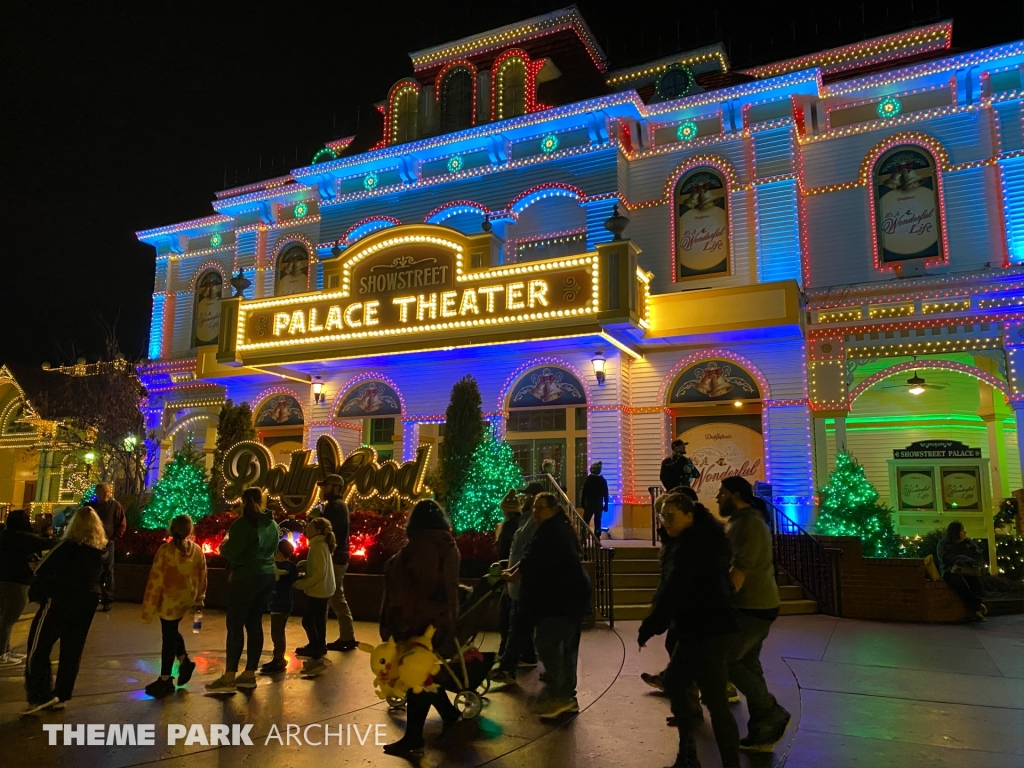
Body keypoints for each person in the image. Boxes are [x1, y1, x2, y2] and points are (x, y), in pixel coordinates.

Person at [639, 492, 740, 768]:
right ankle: (693, 754)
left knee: (702, 692)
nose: (665, 521)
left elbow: (675, 587)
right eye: (662, 516)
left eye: (670, 515)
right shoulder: (693, 541)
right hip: (702, 626)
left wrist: (653, 623)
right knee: (699, 691)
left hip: (705, 627)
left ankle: (694, 756)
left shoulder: (692, 547)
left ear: (689, 515)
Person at [379, 499, 462, 756]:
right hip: (440, 619)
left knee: (417, 678)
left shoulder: (421, 548)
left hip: (419, 622)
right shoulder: (447, 545)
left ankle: (414, 738)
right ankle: (448, 712)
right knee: (426, 671)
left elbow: (415, 588)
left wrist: (396, 623)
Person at [718, 476, 791, 752]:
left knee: (728, 660)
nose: (717, 497)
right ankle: (763, 728)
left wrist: (723, 598)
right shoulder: (742, 520)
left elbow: (741, 566)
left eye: (722, 492)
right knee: (748, 661)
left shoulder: (748, 522)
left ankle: (770, 712)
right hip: (758, 603)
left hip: (752, 606)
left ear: (735, 495)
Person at [503, 491, 590, 720]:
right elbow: (530, 556)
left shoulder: (553, 532)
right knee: (564, 647)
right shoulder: (553, 529)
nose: (536, 513)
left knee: (549, 643)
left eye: (540, 508)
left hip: (562, 601)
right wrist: (514, 571)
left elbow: (534, 559)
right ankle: (564, 695)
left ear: (552, 509)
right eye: (534, 509)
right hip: (567, 600)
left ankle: (562, 694)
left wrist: (515, 575)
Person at [22, 505, 111, 714]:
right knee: (72, 648)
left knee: (39, 645)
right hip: (88, 600)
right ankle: (62, 694)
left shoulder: (67, 547)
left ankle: (38, 694)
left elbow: (43, 568)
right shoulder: (100, 552)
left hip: (60, 599)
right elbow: (104, 578)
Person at [206, 487, 280, 693]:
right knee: (255, 624)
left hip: (245, 578)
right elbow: (274, 549)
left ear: (243, 500)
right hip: (266, 576)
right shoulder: (272, 524)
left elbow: (230, 550)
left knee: (236, 626)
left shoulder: (242, 525)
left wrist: (224, 546)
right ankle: (248, 674)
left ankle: (229, 675)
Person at [140, 514, 207, 697]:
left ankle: (165, 680)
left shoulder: (165, 551)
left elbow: (155, 581)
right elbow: (203, 576)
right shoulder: (196, 551)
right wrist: (199, 598)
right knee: (171, 631)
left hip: (170, 601)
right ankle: (184, 661)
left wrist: (148, 608)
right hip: (187, 597)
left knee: (168, 638)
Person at [489, 486, 542, 685]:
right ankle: (518, 659)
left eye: (528, 496)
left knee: (516, 623)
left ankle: (508, 665)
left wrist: (514, 572)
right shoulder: (526, 520)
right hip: (517, 581)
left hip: (524, 583)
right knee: (517, 623)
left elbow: (527, 553)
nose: (524, 499)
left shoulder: (531, 523)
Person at [0, 510, 53, 665]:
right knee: (9, 619)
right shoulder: (22, 538)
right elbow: (46, 543)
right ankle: (2, 653)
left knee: (4, 617)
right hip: (17, 581)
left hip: (4, 579)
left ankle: (5, 650)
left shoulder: (4, 536)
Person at [313, 474, 357, 652]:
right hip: (338, 556)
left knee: (334, 596)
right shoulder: (338, 506)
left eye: (327, 487)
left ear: (337, 488)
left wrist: (317, 518)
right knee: (331, 595)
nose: (323, 490)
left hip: (335, 557)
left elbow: (327, 531)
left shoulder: (335, 507)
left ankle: (347, 636)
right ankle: (334, 637)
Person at [295, 517, 338, 675]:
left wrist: (301, 584)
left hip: (318, 590)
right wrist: (306, 564)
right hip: (325, 589)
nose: (307, 528)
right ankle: (320, 646)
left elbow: (319, 572)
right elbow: (320, 566)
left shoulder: (318, 546)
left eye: (310, 527)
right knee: (320, 620)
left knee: (308, 620)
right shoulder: (321, 545)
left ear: (318, 531)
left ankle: (315, 646)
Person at [936, 521, 987, 621]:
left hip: (968, 570)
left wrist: (974, 563)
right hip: (951, 571)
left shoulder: (968, 542)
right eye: (963, 531)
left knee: (977, 583)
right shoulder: (943, 543)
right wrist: (962, 559)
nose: (965, 533)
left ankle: (976, 607)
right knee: (959, 583)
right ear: (956, 532)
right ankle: (974, 609)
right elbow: (944, 558)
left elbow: (977, 554)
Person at [261, 539, 298, 675]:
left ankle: (279, 658)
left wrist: (273, 570)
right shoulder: (289, 565)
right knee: (277, 632)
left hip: (280, 605)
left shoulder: (285, 566)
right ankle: (277, 657)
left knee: (277, 633)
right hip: (280, 604)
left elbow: (282, 573)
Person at [495, 489, 523, 660]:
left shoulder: (509, 528)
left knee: (508, 614)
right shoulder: (521, 525)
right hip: (513, 571)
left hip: (511, 572)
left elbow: (505, 551)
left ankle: (507, 649)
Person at [91, 483, 126, 611]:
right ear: (97, 493)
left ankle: (108, 599)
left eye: (108, 491)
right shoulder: (91, 507)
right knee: (93, 570)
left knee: (108, 571)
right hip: (92, 543)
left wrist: (112, 539)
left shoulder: (115, 506)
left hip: (107, 544)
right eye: (103, 491)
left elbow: (121, 524)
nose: (106, 493)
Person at [579, 462, 610, 540]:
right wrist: (606, 505)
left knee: (585, 521)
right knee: (598, 521)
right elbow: (606, 494)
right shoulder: (602, 480)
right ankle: (597, 536)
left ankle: (583, 535)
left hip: (589, 504)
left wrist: (582, 503)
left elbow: (584, 492)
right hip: (598, 504)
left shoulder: (589, 479)